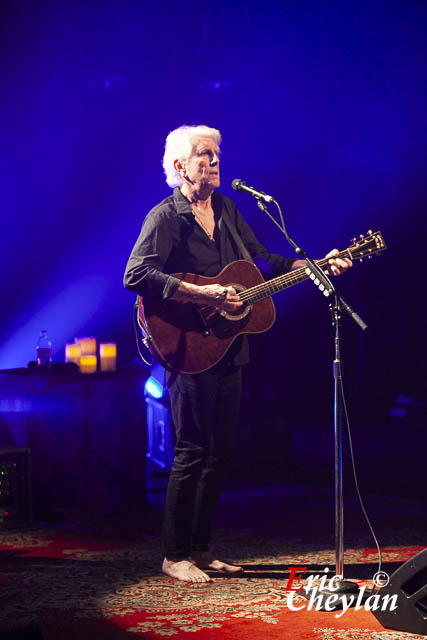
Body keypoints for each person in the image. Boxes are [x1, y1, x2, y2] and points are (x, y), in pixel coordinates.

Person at [123, 125, 352, 583]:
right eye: (204, 155)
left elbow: (262, 259)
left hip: (228, 347)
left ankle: (203, 548)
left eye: (217, 154)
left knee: (220, 452)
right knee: (191, 450)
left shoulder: (227, 208)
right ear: (179, 167)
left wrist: (312, 265)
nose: (214, 162)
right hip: (185, 344)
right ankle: (174, 554)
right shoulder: (165, 218)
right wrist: (204, 295)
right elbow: (136, 275)